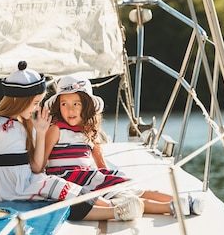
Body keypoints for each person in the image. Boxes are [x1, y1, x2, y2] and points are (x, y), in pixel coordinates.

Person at [0, 61, 144, 222]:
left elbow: (37, 166)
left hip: (29, 181)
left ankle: (116, 208)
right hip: (7, 188)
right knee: (60, 188)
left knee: (68, 189)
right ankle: (116, 210)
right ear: (17, 99)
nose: (37, 107)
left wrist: (40, 133)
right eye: (34, 102)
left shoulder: (24, 124)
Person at [43, 75, 204, 217]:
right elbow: (42, 164)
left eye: (76, 104)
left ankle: (184, 201)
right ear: (58, 106)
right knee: (129, 198)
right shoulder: (56, 129)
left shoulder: (89, 131)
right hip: (71, 181)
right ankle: (170, 207)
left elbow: (101, 165)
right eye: (64, 104)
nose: (70, 109)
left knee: (136, 190)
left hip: (89, 178)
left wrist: (108, 180)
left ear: (87, 106)